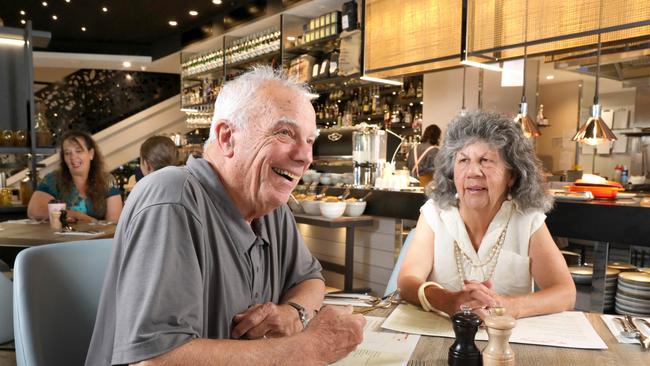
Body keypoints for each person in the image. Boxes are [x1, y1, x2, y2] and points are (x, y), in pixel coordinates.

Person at [86, 66, 365, 366]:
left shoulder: (271, 208)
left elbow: (311, 279)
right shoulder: (172, 198)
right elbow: (155, 361)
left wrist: (294, 312)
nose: (305, 156)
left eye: (309, 140)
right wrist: (308, 349)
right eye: (285, 133)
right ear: (227, 137)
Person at [398, 111, 575, 320]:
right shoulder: (434, 214)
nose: (473, 172)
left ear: (512, 175)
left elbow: (565, 293)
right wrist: (448, 301)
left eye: (486, 160)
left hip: (505, 343)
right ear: (451, 171)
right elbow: (407, 282)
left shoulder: (527, 220)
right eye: (463, 160)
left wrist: (508, 306)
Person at [27, 131, 123, 222]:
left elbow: (114, 222)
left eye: (79, 151)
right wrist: (75, 215)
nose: (73, 157)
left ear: (91, 154)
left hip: (99, 238)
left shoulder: (107, 180)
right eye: (67, 153)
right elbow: (34, 211)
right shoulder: (53, 179)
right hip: (63, 238)